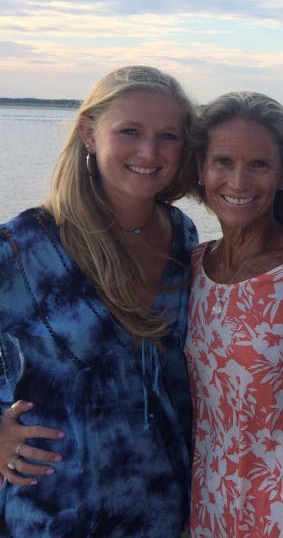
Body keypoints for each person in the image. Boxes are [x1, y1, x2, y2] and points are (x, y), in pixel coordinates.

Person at [0, 65, 198, 536]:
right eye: (129, 131)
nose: (149, 152)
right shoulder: (22, 247)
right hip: (55, 511)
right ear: (90, 133)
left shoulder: (182, 237)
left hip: (166, 509)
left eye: (167, 136)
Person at [185, 92, 283, 538]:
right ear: (202, 170)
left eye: (259, 165)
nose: (239, 181)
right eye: (223, 162)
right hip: (207, 505)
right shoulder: (190, 268)